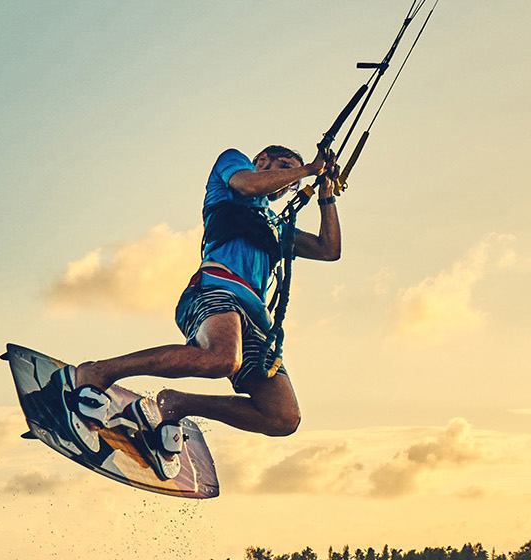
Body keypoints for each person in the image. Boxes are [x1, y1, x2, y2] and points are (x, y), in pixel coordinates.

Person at [59, 145, 340, 476]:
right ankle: (98, 373)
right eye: (280, 166)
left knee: (282, 416)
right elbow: (248, 185)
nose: (283, 179)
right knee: (221, 358)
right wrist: (307, 169)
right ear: (261, 161)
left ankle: (178, 404)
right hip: (216, 289)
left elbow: (328, 249)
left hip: (256, 320)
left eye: (289, 176)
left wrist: (326, 193)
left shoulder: (277, 226)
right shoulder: (234, 168)